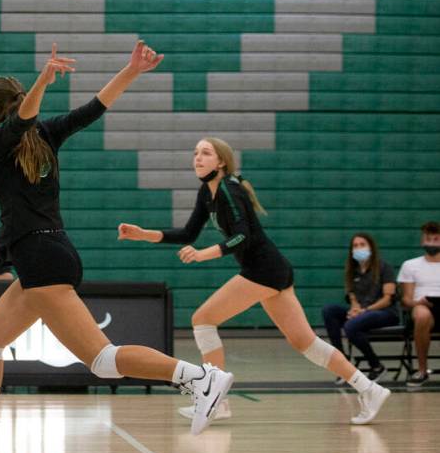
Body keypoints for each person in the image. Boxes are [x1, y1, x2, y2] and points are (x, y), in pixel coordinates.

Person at [0, 42, 234, 453]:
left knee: (102, 361)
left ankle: (199, 377)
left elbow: (30, 117)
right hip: (42, 259)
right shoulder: (43, 134)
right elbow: (95, 107)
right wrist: (131, 70)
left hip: (42, 259)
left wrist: (45, 82)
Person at [118, 137, 390, 425]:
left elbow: (243, 236)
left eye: (206, 153)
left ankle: (215, 398)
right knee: (305, 342)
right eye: (195, 152)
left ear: (221, 162)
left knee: (202, 319)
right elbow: (188, 233)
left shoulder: (228, 189)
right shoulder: (207, 192)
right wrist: (145, 234)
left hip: (264, 270)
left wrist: (203, 255)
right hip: (272, 271)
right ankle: (369, 388)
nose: (197, 158)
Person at [322, 233, 398, 384]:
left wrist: (365, 310)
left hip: (384, 312)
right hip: (362, 313)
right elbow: (352, 297)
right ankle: (343, 363)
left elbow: (387, 299)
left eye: (362, 245)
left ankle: (376, 366)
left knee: (351, 326)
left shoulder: (384, 267)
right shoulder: (352, 270)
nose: (358, 248)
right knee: (329, 310)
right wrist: (354, 309)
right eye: (355, 246)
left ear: (371, 247)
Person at [398, 221, 440, 389]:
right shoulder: (410, 265)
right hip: (422, 306)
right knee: (422, 314)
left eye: (436, 239)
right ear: (423, 241)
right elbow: (406, 299)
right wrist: (418, 302)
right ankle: (422, 370)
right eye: (428, 239)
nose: (431, 243)